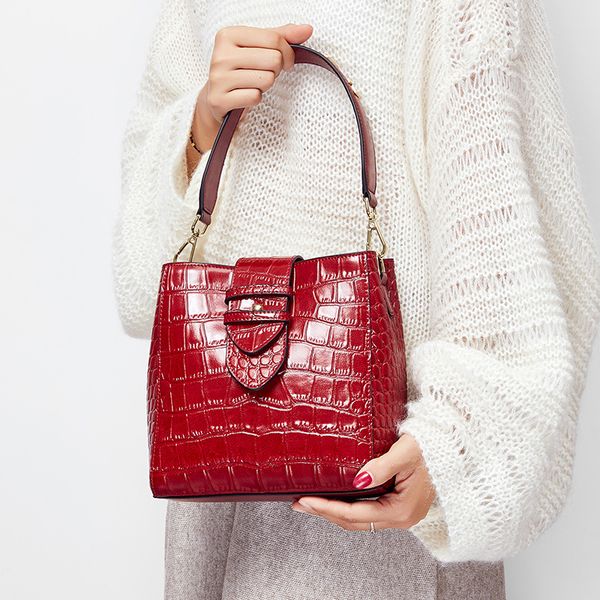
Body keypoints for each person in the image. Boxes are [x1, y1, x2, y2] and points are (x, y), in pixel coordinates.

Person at [112, 1, 600, 598]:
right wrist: (199, 125)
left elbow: (514, 253)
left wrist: (453, 447)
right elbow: (141, 287)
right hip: (217, 472)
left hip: (388, 477)